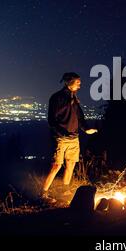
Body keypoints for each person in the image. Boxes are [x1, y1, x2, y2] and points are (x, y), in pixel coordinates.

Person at [41, 72, 98, 203]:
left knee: (71, 164)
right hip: (61, 138)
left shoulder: (74, 98)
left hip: (74, 137)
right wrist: (61, 133)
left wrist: (86, 129)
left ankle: (65, 191)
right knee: (56, 165)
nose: (80, 85)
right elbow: (51, 120)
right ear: (69, 82)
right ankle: (43, 194)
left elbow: (80, 117)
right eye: (78, 82)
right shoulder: (56, 98)